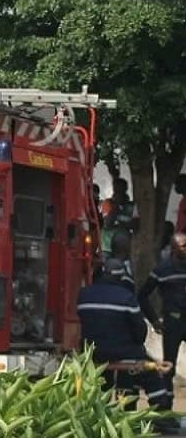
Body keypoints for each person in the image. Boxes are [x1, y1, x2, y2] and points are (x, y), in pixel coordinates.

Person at [78, 258, 172, 418]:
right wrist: (136, 346)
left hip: (91, 352)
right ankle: (161, 413)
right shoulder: (126, 297)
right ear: (121, 277)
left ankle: (97, 411)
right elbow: (140, 330)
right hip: (123, 351)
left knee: (104, 377)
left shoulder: (84, 295)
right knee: (152, 374)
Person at [138, 232, 186, 409]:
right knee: (169, 366)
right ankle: (166, 407)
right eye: (183, 246)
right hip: (172, 323)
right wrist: (154, 321)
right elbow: (142, 296)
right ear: (174, 248)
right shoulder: (162, 270)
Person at [100, 178, 139, 260]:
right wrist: (116, 206)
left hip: (124, 247)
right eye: (116, 190)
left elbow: (135, 225)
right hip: (107, 247)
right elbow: (107, 224)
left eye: (121, 190)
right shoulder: (107, 203)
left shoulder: (131, 206)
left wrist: (119, 223)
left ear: (126, 189)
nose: (118, 193)